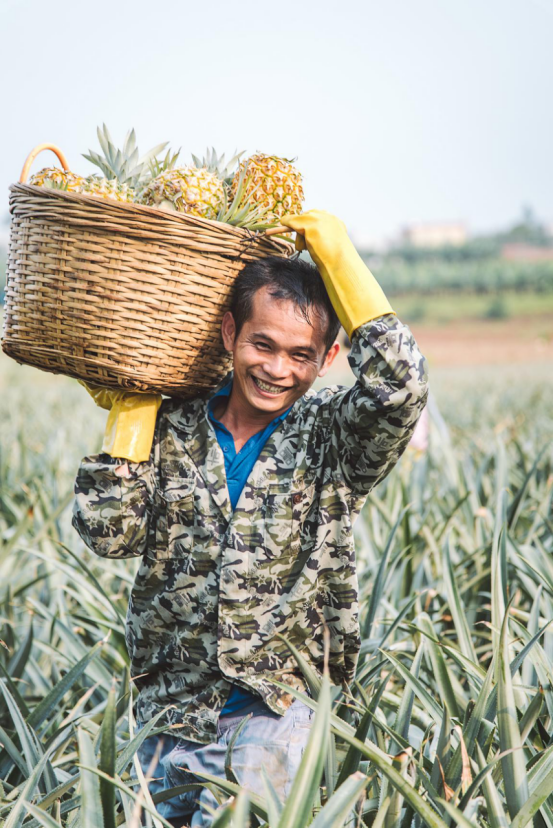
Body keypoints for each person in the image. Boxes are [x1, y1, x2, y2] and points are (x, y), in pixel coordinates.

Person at [72, 210, 429, 827]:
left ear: (329, 357)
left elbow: (400, 388)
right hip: (167, 711)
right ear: (230, 331)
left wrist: (339, 259)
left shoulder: (332, 437)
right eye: (262, 344)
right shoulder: (172, 427)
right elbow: (109, 533)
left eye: (300, 354)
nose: (277, 369)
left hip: (276, 713)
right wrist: (131, 413)